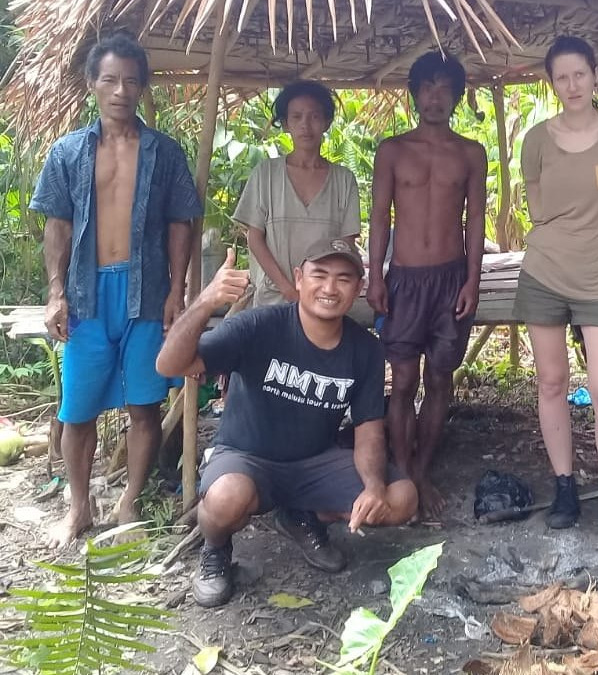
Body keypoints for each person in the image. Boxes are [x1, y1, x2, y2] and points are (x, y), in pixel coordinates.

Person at [156, 238, 418, 608]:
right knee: (226, 499)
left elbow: (369, 430)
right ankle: (215, 550)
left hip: (313, 463)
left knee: (401, 499)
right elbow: (168, 365)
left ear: (358, 288)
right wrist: (205, 302)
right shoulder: (259, 326)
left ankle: (300, 515)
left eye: (344, 279)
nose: (330, 288)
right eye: (320, 275)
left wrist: (374, 486)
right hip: (246, 457)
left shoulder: (365, 349)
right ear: (298, 278)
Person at [29, 32, 203, 548]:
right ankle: (79, 507)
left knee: (144, 405)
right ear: (92, 84)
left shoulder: (163, 152)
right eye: (110, 80)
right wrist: (56, 292)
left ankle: (128, 502)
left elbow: (181, 224)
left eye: (131, 81)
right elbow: (56, 227)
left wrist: (177, 290)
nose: (121, 91)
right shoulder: (68, 152)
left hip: (146, 293)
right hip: (84, 296)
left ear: (142, 86)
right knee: (76, 410)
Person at [514, 35, 598, 532]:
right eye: (561, 77)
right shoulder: (536, 140)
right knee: (551, 382)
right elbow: (538, 207)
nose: (571, 84)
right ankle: (564, 488)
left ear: (595, 74)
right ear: (552, 83)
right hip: (545, 272)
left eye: (579, 74)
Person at [366, 51, 487, 519]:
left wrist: (473, 280)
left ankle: (422, 468)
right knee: (402, 381)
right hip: (405, 279)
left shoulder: (470, 153)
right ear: (414, 94)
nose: (435, 98)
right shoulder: (392, 150)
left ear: (457, 96)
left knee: (440, 378)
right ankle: (401, 469)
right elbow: (380, 216)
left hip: (450, 277)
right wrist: (376, 275)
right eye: (427, 88)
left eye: (445, 89)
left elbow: (475, 218)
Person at [234, 81, 360, 307]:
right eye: (296, 117)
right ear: (285, 124)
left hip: (324, 301)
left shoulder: (344, 180)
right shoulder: (266, 174)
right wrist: (289, 290)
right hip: (273, 300)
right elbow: (255, 239)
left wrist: (319, 290)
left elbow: (345, 245)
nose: (305, 125)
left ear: (326, 122)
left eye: (314, 116)